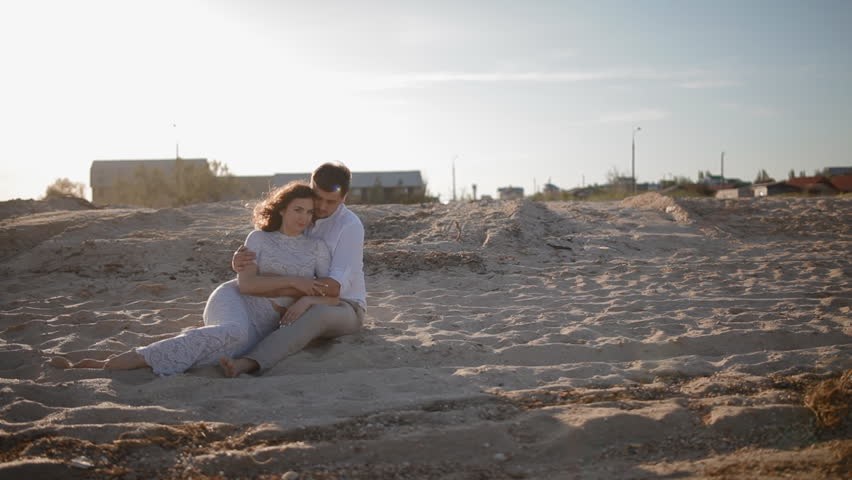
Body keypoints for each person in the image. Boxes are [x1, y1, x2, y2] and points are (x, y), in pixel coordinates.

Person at [55, 181, 337, 375]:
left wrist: (306, 299)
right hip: (236, 301)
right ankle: (113, 363)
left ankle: (150, 353)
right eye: (297, 209)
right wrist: (295, 283)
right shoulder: (259, 239)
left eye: (309, 212)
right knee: (232, 332)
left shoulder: (317, 249)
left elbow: (332, 292)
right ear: (282, 208)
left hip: (266, 324)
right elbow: (247, 285)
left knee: (219, 346)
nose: (303, 217)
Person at [220, 161, 367, 377]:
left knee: (317, 315)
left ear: (344, 198)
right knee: (234, 289)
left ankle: (249, 362)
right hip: (297, 294)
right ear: (311, 187)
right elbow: (270, 244)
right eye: (319, 198)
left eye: (331, 201)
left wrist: (308, 299)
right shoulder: (304, 212)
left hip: (344, 306)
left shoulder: (350, 226)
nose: (323, 207)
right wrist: (240, 261)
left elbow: (335, 288)